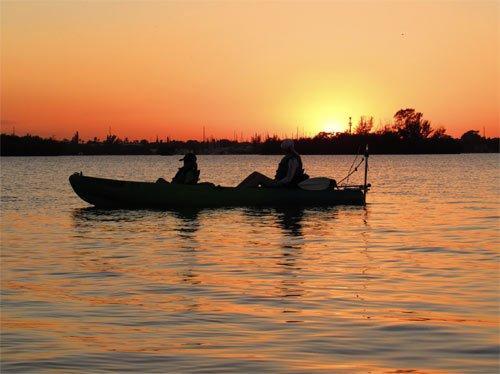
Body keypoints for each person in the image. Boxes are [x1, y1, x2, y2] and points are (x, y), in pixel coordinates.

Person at [237, 139, 308, 188]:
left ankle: (240, 192)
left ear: (286, 149)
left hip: (283, 185)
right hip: (278, 182)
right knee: (255, 174)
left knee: (258, 178)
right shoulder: (289, 157)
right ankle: (237, 190)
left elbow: (289, 178)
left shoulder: (292, 159)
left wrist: (276, 184)